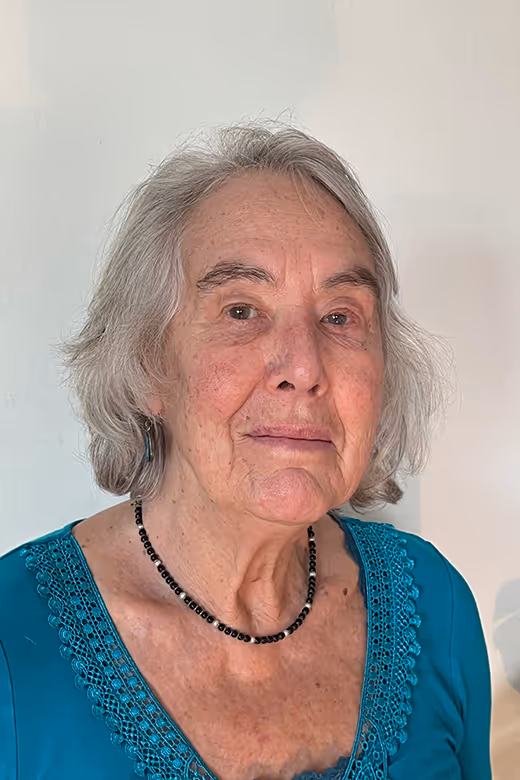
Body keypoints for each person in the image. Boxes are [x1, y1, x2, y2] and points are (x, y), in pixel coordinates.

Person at [0, 123, 491, 780]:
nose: (304, 366)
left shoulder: (437, 607)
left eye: (341, 316)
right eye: (242, 310)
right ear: (148, 364)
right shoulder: (12, 648)